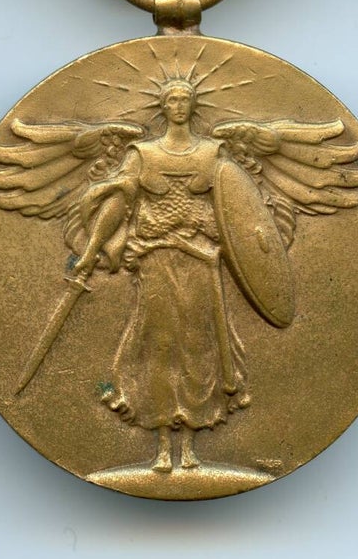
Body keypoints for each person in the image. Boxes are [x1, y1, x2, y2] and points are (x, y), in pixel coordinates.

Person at [70, 77, 250, 472]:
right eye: (173, 100)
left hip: (201, 262)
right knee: (158, 345)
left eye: (185, 99)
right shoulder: (142, 154)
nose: (179, 106)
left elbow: (239, 212)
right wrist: (90, 251)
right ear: (163, 107)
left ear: (194, 105)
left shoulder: (214, 154)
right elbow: (117, 206)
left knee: (199, 347)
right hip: (156, 260)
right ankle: (164, 445)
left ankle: (190, 446)